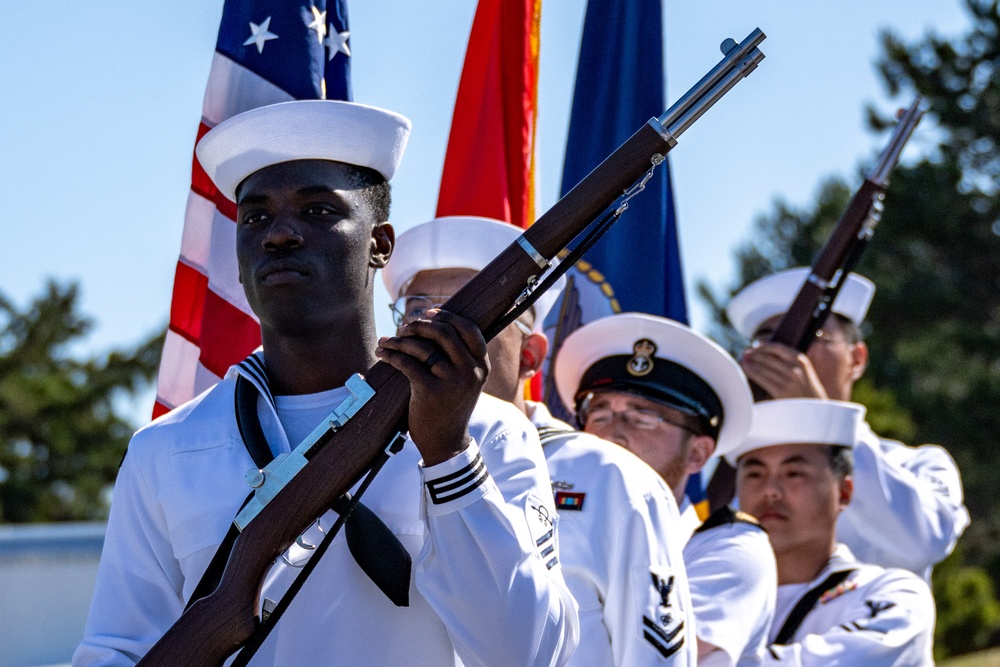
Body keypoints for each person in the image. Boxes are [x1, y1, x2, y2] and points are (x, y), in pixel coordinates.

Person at [74, 100, 578, 666]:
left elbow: (531, 654)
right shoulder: (165, 450)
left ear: (380, 246)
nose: (279, 235)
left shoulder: (487, 432)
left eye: (317, 211)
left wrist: (447, 458)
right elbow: (116, 651)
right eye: (255, 217)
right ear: (238, 260)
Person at [383, 215, 697, 666]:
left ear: (530, 355)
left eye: (467, 316)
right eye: (417, 311)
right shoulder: (371, 462)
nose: (433, 329)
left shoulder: (615, 481)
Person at [554, 313, 776, 667]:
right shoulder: (542, 518)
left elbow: (654, 651)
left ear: (698, 453)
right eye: (599, 414)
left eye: (643, 417)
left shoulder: (730, 545)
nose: (613, 434)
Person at [727, 267, 969, 578]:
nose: (790, 353)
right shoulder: (728, 470)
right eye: (770, 342)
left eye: (811, 335)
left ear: (856, 359)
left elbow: (925, 541)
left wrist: (823, 421)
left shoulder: (919, 464)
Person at [732, 398, 936, 666]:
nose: (770, 490)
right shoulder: (709, 594)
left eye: (794, 473)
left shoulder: (891, 594)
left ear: (844, 492)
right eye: (755, 474)